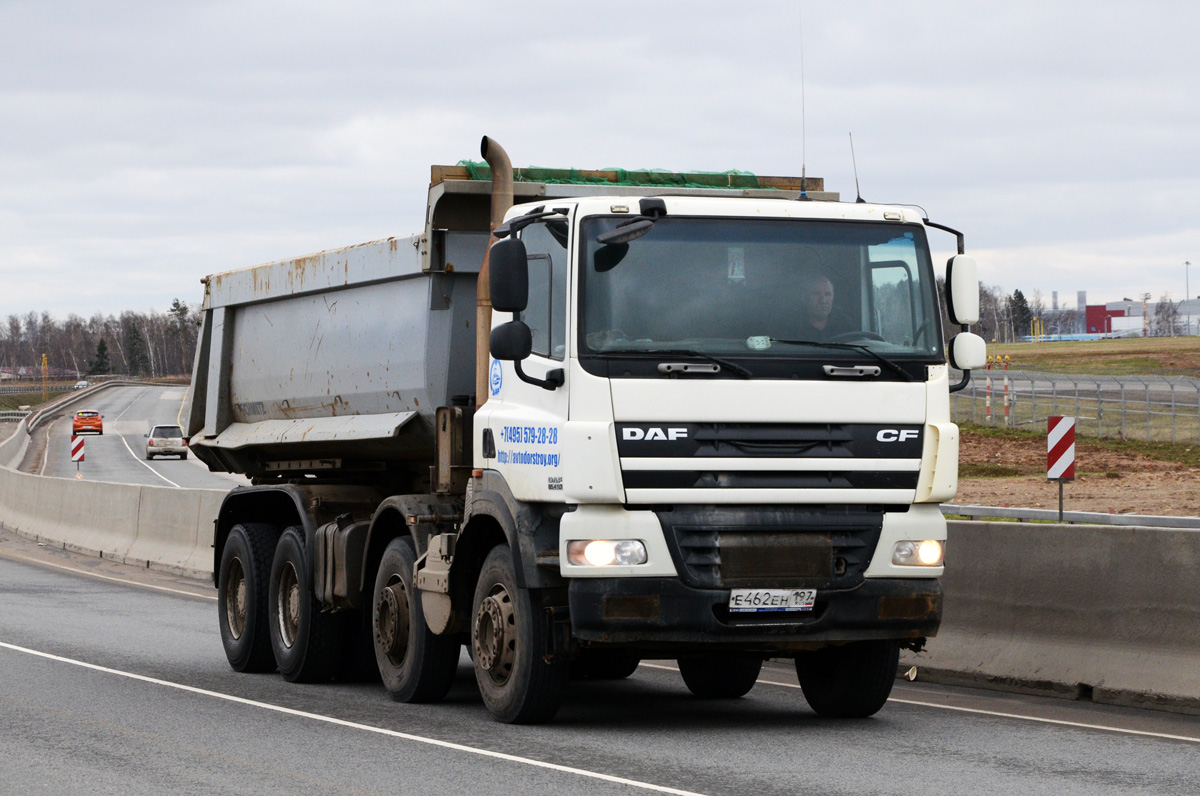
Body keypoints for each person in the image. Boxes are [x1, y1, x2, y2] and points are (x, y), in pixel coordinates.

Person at [797, 272, 853, 341]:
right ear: (804, 298)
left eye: (828, 294)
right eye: (816, 294)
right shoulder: (791, 326)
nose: (823, 301)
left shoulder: (845, 324)